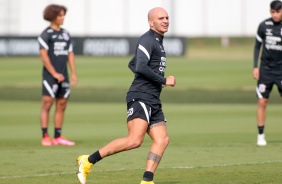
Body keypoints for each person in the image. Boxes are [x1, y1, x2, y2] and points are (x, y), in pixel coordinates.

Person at [76, 7, 176, 184]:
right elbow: (139, 67)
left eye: (167, 17)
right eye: (161, 18)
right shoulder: (148, 39)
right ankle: (88, 160)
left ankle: (147, 180)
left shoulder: (158, 42)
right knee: (134, 140)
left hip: (152, 98)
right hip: (141, 96)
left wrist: (154, 81)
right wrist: (162, 80)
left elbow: (133, 63)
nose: (166, 20)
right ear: (151, 22)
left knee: (162, 139)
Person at [38, 4, 77, 146]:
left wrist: (73, 74)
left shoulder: (65, 34)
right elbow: (43, 56)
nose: (63, 18)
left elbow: (70, 54)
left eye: (63, 15)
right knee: (47, 104)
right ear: (53, 17)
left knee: (62, 104)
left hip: (64, 75)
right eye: (60, 15)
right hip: (50, 77)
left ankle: (58, 137)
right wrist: (54, 73)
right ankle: (45, 136)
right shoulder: (45, 34)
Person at [253, 0, 282, 146]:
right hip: (266, 70)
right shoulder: (264, 25)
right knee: (262, 101)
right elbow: (257, 46)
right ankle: (260, 135)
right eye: (273, 12)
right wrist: (255, 67)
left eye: (278, 12)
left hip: (281, 70)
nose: (275, 15)